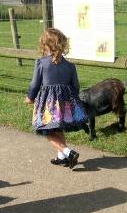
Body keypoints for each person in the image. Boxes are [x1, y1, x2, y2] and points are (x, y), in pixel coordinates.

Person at [24, 28, 88, 169]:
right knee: (58, 129)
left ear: (45, 45)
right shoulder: (70, 66)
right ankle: (62, 158)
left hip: (48, 105)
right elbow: (75, 86)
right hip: (64, 103)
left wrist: (30, 97)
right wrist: (71, 100)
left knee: (44, 129)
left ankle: (68, 152)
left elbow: (34, 84)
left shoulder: (41, 63)